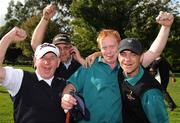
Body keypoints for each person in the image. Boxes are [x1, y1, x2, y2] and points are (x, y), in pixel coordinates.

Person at [61, 11, 174, 123]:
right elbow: (71, 86)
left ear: (119, 46)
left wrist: (165, 27)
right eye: (104, 48)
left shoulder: (126, 66)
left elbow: (154, 52)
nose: (108, 52)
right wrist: (66, 97)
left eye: (112, 46)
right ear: (100, 49)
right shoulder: (90, 65)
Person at [0, 27, 66, 123]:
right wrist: (8, 37)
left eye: (52, 57)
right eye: (42, 57)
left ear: (58, 62)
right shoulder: (21, 79)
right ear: (35, 61)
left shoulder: (64, 84)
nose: (47, 62)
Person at [118, 38, 169, 123]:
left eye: (133, 54)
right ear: (118, 56)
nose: (127, 59)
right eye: (123, 54)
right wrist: (97, 54)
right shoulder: (121, 72)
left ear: (141, 57)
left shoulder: (150, 92)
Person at [31, 3, 85, 80]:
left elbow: (96, 73)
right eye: (59, 48)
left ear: (71, 48)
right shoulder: (50, 64)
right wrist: (45, 18)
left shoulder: (80, 63)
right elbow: (35, 44)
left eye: (66, 47)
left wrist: (80, 60)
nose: (62, 51)